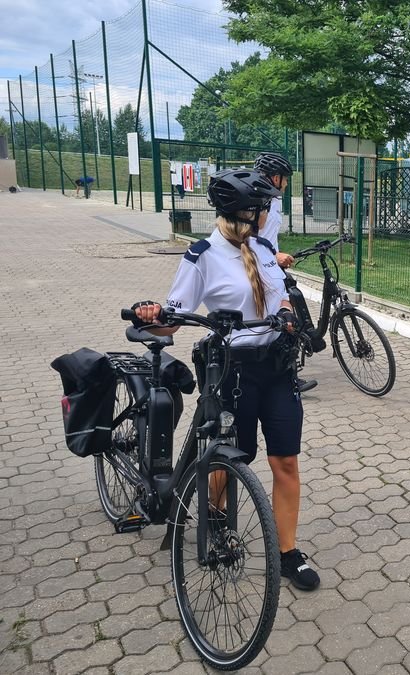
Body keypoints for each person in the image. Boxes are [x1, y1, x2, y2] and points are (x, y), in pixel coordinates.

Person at [132, 168, 320, 592]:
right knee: (233, 459)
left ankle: (288, 553)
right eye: (259, 210)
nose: (264, 215)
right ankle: (215, 516)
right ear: (240, 213)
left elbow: (280, 291)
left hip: (277, 367)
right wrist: (153, 316)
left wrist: (288, 312)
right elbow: (172, 319)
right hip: (233, 371)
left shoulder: (264, 249)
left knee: (286, 462)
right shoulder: (203, 255)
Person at [254, 151, 324, 393]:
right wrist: (274, 256)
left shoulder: (272, 200)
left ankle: (307, 343)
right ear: (275, 178)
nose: (285, 183)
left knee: (293, 301)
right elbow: (247, 239)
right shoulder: (256, 201)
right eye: (284, 178)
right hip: (258, 267)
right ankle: (288, 375)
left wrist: (276, 255)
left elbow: (267, 237)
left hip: (270, 264)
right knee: (284, 319)